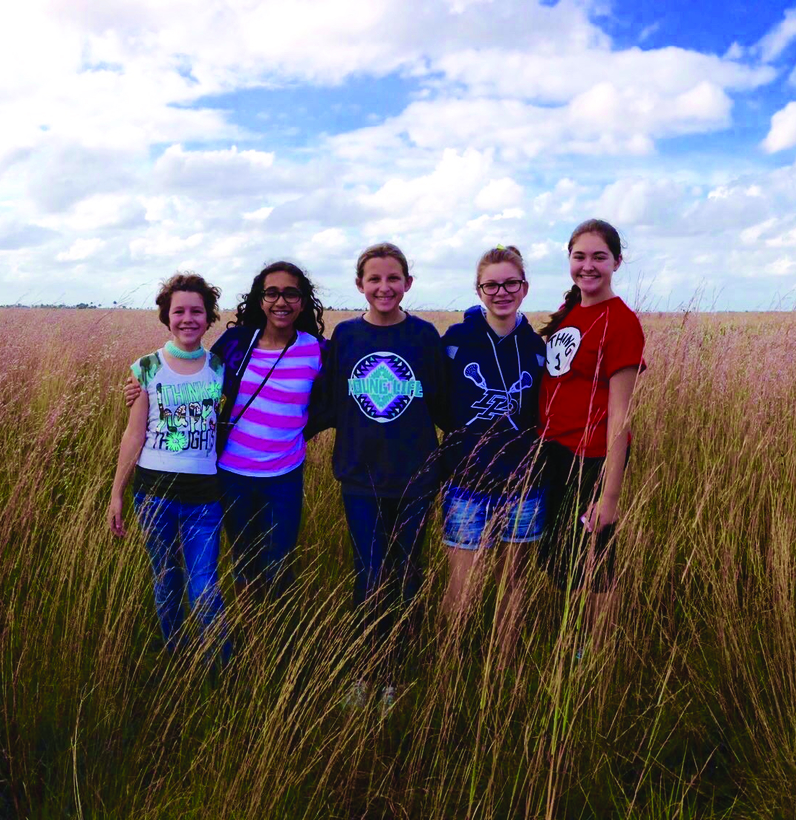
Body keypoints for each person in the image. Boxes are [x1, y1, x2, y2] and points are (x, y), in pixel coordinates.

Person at [125, 261, 327, 601]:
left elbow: (333, 400)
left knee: (278, 566)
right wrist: (140, 388)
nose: (281, 301)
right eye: (272, 293)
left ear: (303, 302)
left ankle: (272, 632)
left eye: (291, 293)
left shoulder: (317, 350)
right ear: (260, 300)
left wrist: (299, 433)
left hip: (285, 476)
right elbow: (195, 372)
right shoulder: (236, 342)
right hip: (232, 474)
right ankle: (250, 634)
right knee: (244, 564)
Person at [312, 242, 451, 706]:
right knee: (369, 573)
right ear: (360, 286)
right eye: (374, 279)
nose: (384, 287)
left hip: (416, 478)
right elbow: (325, 403)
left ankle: (396, 672)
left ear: (408, 284)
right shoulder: (346, 337)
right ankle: (364, 671)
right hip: (360, 478)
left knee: (407, 574)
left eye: (394, 279)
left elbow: (447, 403)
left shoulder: (425, 336)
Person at [537, 219, 644, 652]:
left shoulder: (621, 322)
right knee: (562, 555)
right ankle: (573, 638)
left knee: (594, 560)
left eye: (599, 256)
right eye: (579, 256)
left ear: (617, 261)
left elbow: (621, 415)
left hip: (593, 457)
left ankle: (595, 651)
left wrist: (611, 497)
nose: (588, 265)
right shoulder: (572, 313)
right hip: (555, 451)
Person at [108, 273, 229, 656]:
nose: (188, 319)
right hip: (154, 494)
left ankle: (220, 668)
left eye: (197, 311)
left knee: (205, 583)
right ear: (166, 317)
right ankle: (176, 656)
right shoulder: (145, 367)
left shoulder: (221, 367)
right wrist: (117, 494)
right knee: (166, 579)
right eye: (179, 311)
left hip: (204, 496)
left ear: (209, 317)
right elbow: (134, 434)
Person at [435, 246, 545, 635]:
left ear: (524, 287)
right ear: (478, 290)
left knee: (513, 586)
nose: (502, 292)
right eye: (491, 285)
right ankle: (449, 670)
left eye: (510, 283)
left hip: (524, 486)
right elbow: (438, 403)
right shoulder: (455, 341)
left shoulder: (536, 348)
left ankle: (505, 669)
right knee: (461, 590)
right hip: (467, 485)